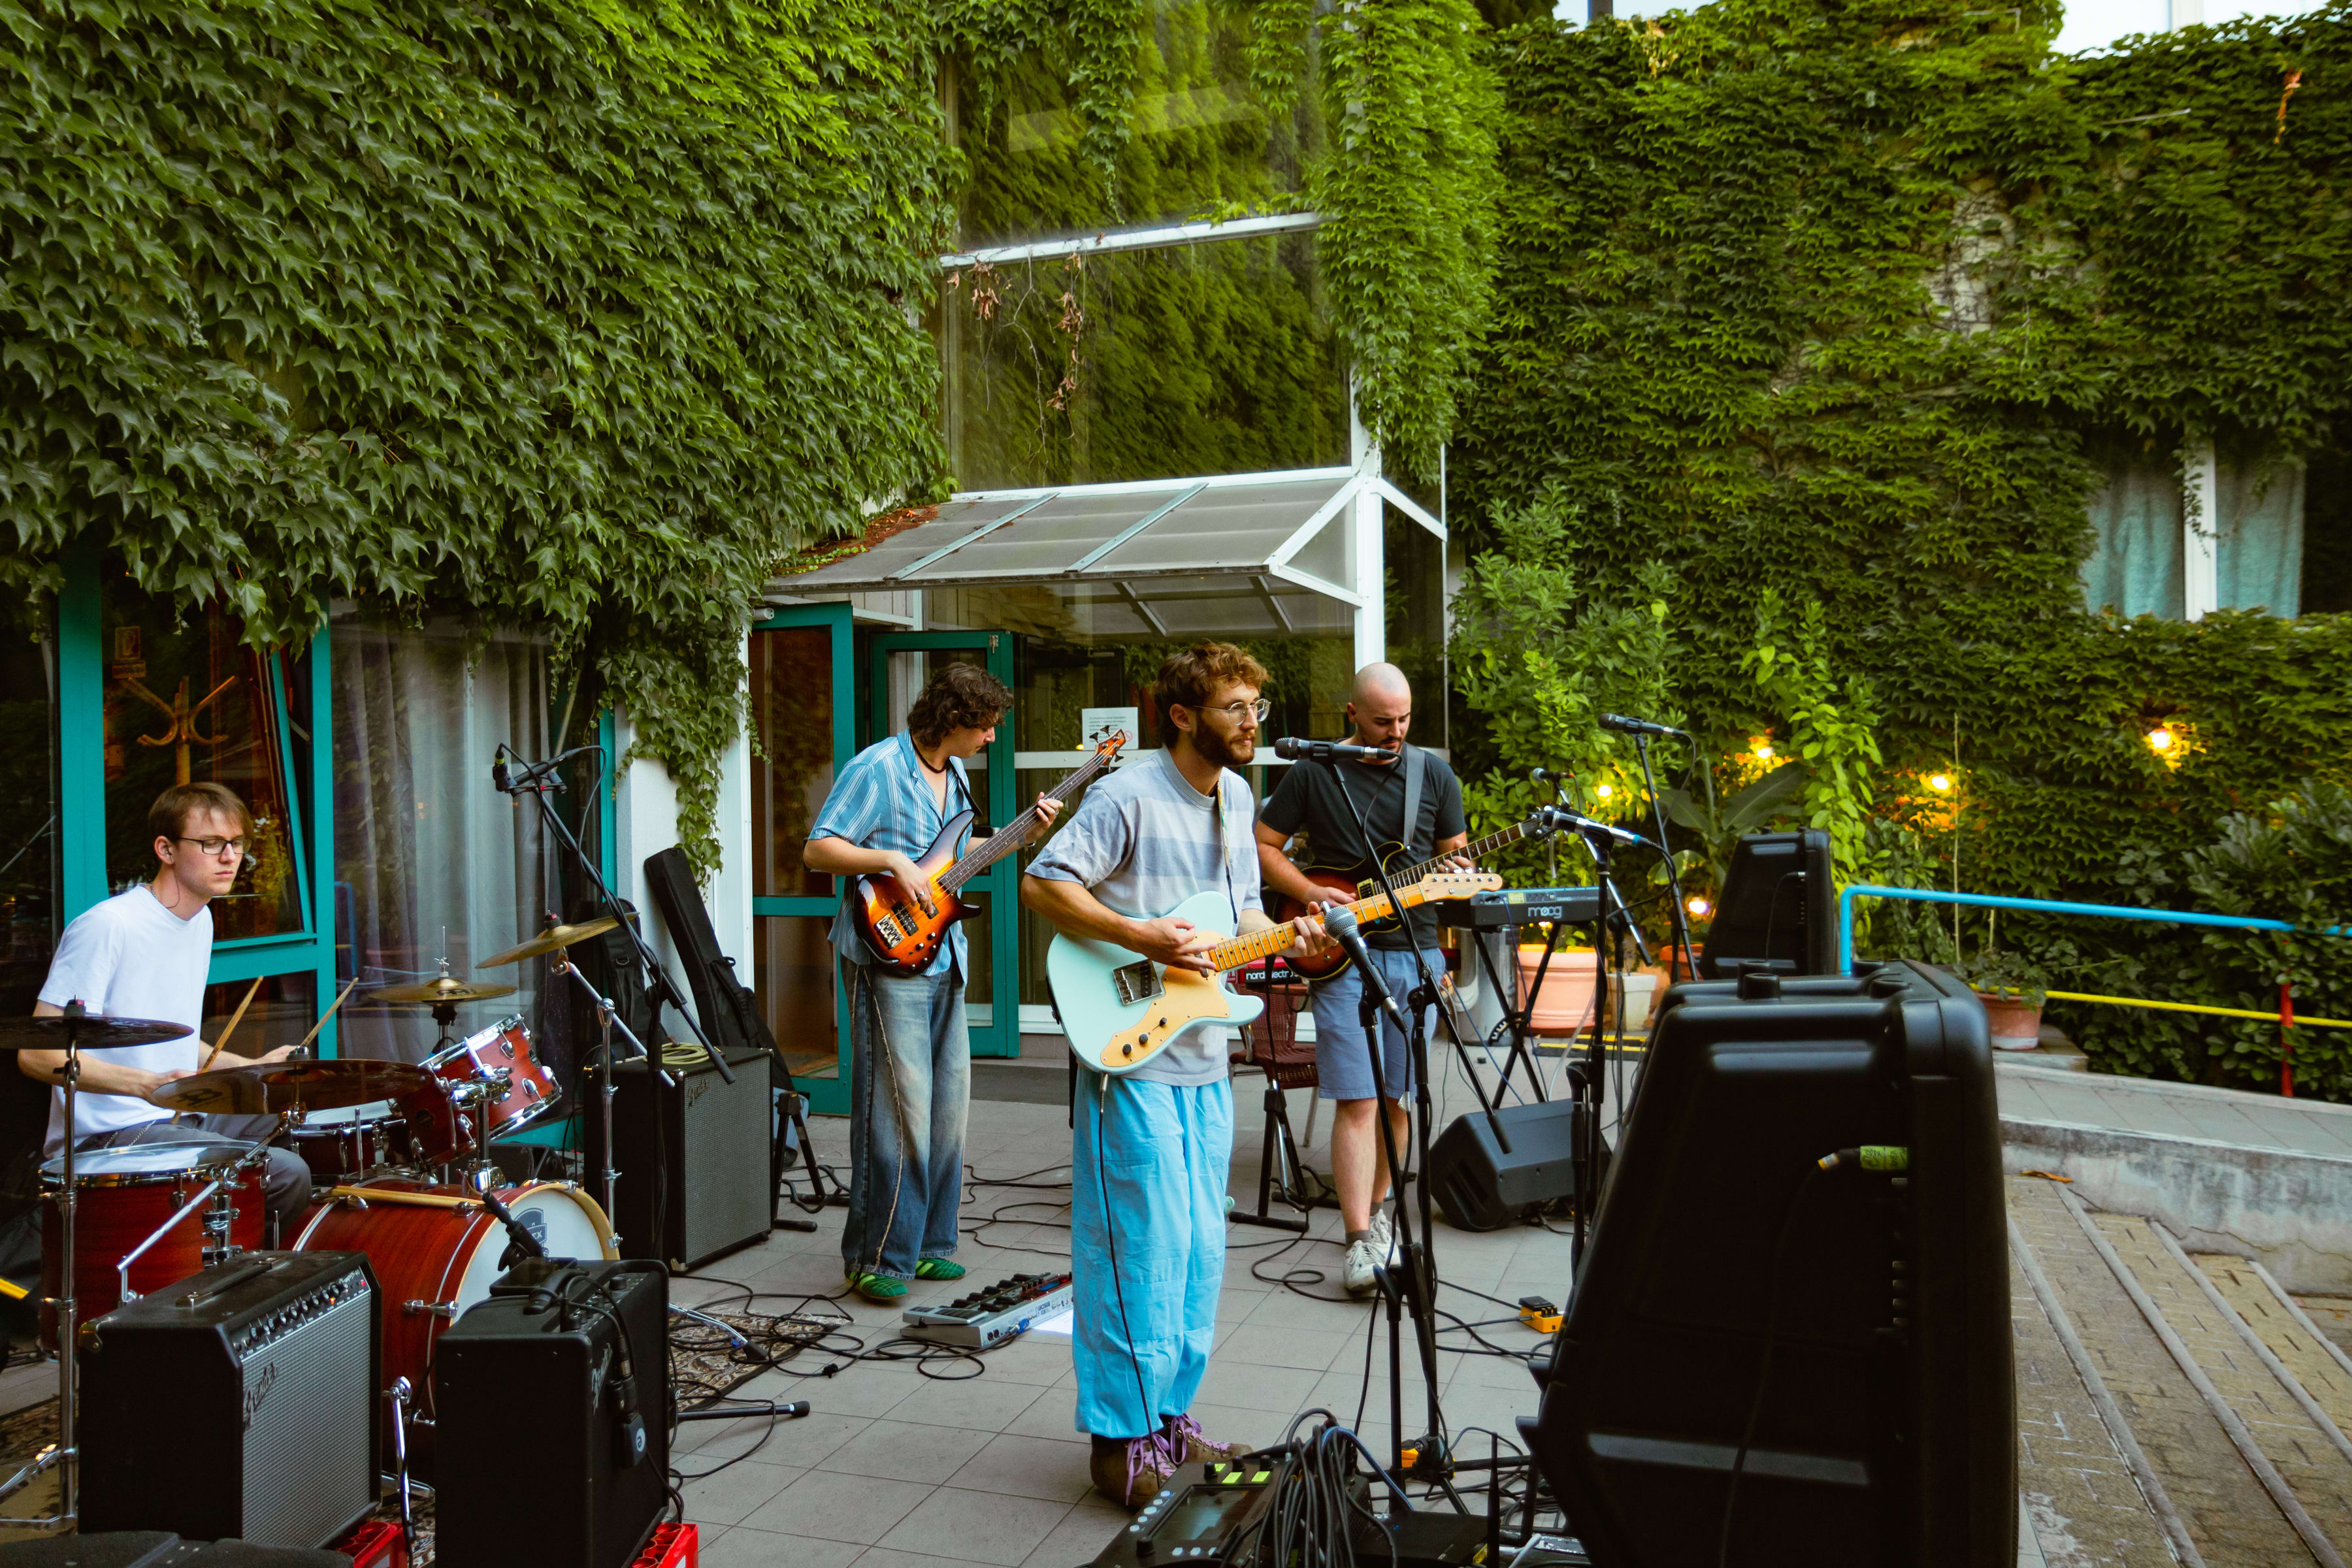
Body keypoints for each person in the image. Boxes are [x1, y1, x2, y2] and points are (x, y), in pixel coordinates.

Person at [1023, 642, 1328, 1509]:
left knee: (1198, 1251)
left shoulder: (1238, 798)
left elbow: (1237, 915)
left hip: (1200, 1051)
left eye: (1257, 709)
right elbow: (1046, 885)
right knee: (1136, 1249)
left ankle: (1172, 1420)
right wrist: (1142, 936)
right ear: (1185, 714)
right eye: (1234, 708)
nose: (1251, 724)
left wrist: (1289, 936)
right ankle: (1119, 1445)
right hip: (1130, 1055)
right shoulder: (1125, 794)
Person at [804, 661, 1062, 1303]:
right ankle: (876, 1259)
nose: (994, 739)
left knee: (947, 1108)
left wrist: (1023, 834)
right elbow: (818, 848)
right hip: (885, 957)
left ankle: (928, 1247)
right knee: (898, 1112)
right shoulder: (877, 768)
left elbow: (955, 863)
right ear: (955, 721)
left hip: (945, 955)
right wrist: (890, 857)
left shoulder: (957, 773)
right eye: (988, 727)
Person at [1254, 662, 1469, 1295]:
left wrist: (1464, 875)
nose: (1395, 732)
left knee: (1400, 1097)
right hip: (1341, 957)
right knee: (1358, 1098)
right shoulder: (1315, 771)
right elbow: (1263, 846)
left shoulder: (1433, 773)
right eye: (1382, 722)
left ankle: (1379, 1218)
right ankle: (1354, 1241)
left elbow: (1455, 853)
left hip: (1417, 951)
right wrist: (1309, 892)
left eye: (1404, 720)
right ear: (1352, 714)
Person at [21, 782, 312, 1236]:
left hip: (170, 1113)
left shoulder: (200, 920)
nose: (230, 857)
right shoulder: (109, 926)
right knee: (287, 1174)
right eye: (211, 843)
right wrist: (145, 1086)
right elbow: (38, 1054)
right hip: (109, 1135)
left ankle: (231, 1262)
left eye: (237, 843)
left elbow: (174, 1044)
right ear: (166, 849)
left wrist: (254, 1068)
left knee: (289, 1107)